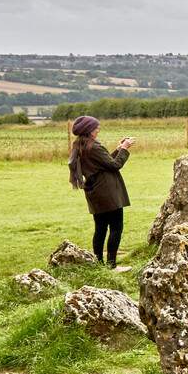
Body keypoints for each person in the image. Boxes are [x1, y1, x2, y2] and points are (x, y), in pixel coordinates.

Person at [67, 115, 135, 269]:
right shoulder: (94, 146)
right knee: (116, 228)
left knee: (100, 229)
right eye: (96, 127)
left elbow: (104, 163)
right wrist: (124, 149)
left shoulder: (80, 145)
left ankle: (99, 264)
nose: (98, 129)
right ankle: (112, 266)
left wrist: (118, 149)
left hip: (95, 192)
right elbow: (115, 165)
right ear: (89, 130)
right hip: (107, 192)